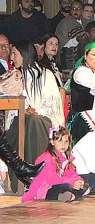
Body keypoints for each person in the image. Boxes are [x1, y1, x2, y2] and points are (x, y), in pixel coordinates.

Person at [4, 40, 64, 192]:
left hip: (43, 119)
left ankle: (38, 176)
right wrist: (23, 109)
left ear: (24, 54)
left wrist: (36, 110)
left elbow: (52, 103)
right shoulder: (14, 76)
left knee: (33, 121)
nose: (12, 58)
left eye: (15, 54)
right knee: (26, 122)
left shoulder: (45, 75)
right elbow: (9, 103)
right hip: (21, 120)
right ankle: (25, 176)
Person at [22, 126, 89, 202]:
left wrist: (78, 180)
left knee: (85, 183)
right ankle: (69, 195)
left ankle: (67, 196)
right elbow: (53, 180)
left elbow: (71, 172)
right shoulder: (46, 158)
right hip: (45, 189)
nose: (63, 145)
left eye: (66, 141)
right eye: (60, 141)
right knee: (67, 186)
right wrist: (72, 182)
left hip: (60, 184)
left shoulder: (66, 157)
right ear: (52, 142)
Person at [55, 0, 85, 70]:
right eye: (73, 8)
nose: (76, 11)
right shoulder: (64, 23)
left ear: (82, 11)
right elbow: (61, 42)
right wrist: (76, 40)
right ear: (70, 11)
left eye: (78, 8)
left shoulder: (85, 22)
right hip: (69, 58)